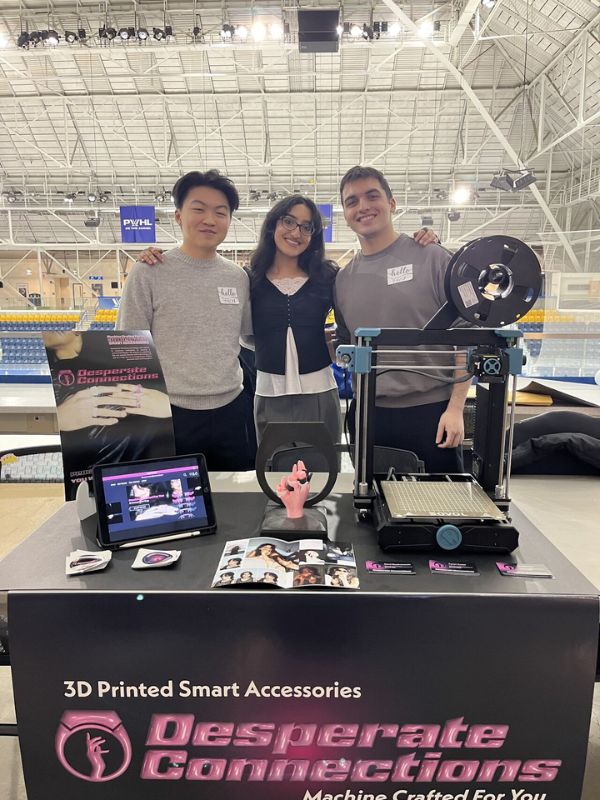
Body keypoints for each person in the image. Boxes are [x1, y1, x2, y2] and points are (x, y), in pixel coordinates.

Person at [136, 194, 438, 450]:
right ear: (273, 224)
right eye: (289, 221)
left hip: (320, 394)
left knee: (322, 479)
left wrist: (420, 243)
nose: (296, 232)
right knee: (273, 480)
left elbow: (354, 317)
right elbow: (245, 334)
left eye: (307, 227)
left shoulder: (328, 276)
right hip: (268, 396)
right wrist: (156, 255)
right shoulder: (248, 277)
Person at [334, 166, 471, 473]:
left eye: (372, 196)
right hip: (369, 416)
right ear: (345, 213)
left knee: (442, 512)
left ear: (392, 203)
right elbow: (345, 345)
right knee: (371, 511)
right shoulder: (342, 280)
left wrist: (456, 408)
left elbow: (466, 336)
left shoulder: (433, 257)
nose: (363, 206)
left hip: (432, 413)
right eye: (352, 201)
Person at [117, 170, 252, 471]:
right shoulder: (149, 271)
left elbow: (248, 335)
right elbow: (128, 344)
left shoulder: (238, 277)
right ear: (179, 216)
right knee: (174, 507)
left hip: (231, 409)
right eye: (199, 209)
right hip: (170, 412)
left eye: (220, 212)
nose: (210, 219)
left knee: (236, 503)